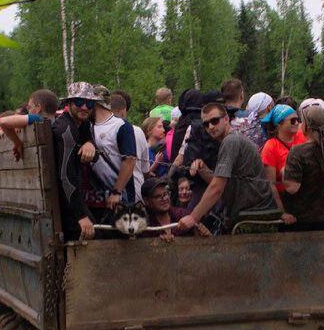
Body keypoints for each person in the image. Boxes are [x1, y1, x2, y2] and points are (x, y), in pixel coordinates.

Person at [177, 101, 274, 234]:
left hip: (254, 216)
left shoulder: (230, 141)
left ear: (226, 119)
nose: (210, 126)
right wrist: (203, 168)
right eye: (206, 124)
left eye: (215, 121)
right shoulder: (229, 140)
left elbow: (217, 187)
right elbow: (219, 181)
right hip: (250, 214)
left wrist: (193, 217)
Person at [50, 82, 101, 241]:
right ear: (68, 103)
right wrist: (80, 216)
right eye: (79, 102)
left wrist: (90, 144)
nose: (85, 107)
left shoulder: (83, 123)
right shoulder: (66, 130)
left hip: (75, 197)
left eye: (89, 103)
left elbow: (95, 153)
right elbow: (65, 176)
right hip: (65, 203)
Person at [87, 89, 139, 225]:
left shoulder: (120, 125)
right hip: (95, 196)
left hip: (120, 195)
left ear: (95, 103)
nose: (84, 107)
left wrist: (117, 191)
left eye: (86, 103)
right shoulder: (87, 126)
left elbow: (129, 161)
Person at [259, 104, 306, 219]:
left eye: (298, 120)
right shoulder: (271, 147)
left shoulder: (303, 136)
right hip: (287, 203)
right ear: (279, 124)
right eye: (292, 120)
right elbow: (271, 184)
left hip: (307, 201)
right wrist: (282, 212)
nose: (296, 123)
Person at [142, 176, 208, 242]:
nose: (165, 199)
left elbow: (208, 241)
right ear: (146, 201)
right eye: (158, 197)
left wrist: (202, 234)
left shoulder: (184, 214)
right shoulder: (143, 224)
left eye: (165, 194)